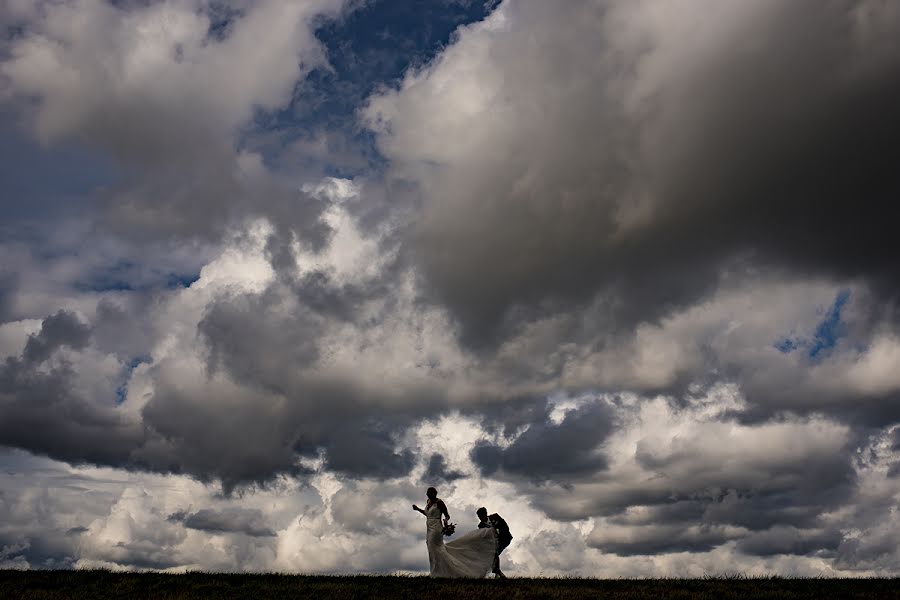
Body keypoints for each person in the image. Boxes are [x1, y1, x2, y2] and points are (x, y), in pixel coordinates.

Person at [412, 487, 497, 578]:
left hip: (436, 528)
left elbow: (447, 515)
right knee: (431, 549)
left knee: (436, 549)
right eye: (427, 493)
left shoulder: (439, 502)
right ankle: (436, 573)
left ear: (434, 493)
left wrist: (446, 521)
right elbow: (427, 514)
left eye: (429, 493)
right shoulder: (428, 501)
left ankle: (445, 572)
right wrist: (418, 509)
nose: (427, 495)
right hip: (429, 528)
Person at [477, 506, 512, 578]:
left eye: (482, 516)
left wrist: (498, 532)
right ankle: (498, 573)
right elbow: (484, 537)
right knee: (495, 554)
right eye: (479, 517)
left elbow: (505, 526)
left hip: (505, 539)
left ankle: (498, 573)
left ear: (485, 514)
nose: (481, 518)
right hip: (493, 542)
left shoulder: (495, 516)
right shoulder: (481, 526)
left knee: (495, 553)